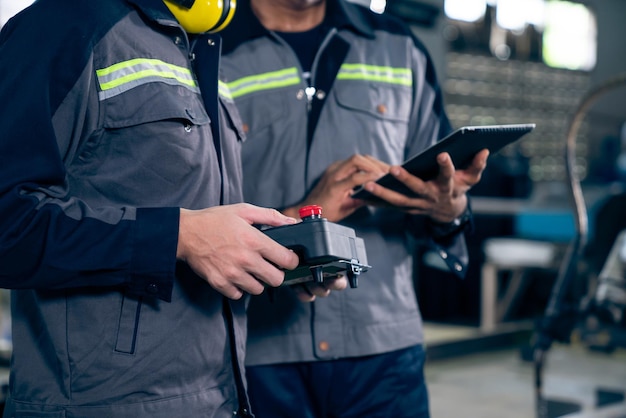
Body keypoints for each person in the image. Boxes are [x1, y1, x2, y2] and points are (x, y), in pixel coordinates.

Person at [0, 0, 346, 416]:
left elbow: (203, 225)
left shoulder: (198, 47)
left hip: (220, 399)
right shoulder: (64, 25)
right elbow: (8, 225)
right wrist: (179, 237)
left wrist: (276, 259)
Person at [220, 0, 489, 417]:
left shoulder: (399, 48)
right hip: (255, 351)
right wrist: (304, 212)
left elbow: (438, 191)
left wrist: (448, 209)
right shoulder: (209, 48)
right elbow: (194, 222)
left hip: (382, 354)